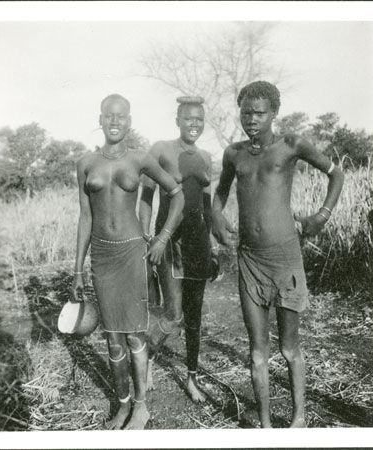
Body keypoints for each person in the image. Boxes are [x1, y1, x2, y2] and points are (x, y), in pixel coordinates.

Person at [212, 81, 344, 428]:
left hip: (285, 257)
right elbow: (218, 196)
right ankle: (267, 427)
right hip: (249, 260)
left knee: (289, 348)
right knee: (258, 352)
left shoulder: (291, 145)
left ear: (274, 113)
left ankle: (298, 420)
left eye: (259, 113)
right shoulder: (234, 154)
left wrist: (322, 216)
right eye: (246, 112)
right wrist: (217, 222)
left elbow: (337, 173)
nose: (252, 119)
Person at [71, 94, 184, 430]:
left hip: (133, 254)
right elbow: (85, 218)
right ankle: (122, 406)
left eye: (121, 116)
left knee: (135, 336)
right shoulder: (86, 163)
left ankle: (141, 407)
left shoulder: (140, 159)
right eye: (109, 116)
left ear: (129, 120)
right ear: (101, 119)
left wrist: (161, 238)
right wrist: (78, 268)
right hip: (102, 258)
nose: (115, 122)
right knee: (112, 338)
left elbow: (175, 194)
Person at [139, 96, 219, 402]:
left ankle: (191, 379)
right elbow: (146, 195)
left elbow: (208, 206)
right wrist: (148, 236)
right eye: (188, 119)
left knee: (195, 318)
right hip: (168, 242)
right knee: (172, 315)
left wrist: (212, 247)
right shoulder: (161, 149)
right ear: (177, 120)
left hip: (198, 243)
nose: (194, 124)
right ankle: (145, 358)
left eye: (199, 119)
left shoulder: (207, 158)